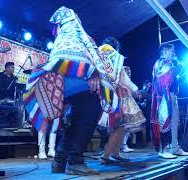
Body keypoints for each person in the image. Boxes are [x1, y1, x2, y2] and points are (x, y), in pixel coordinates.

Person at [24, 7, 141, 175]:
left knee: (77, 121)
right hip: (81, 81)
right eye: (76, 16)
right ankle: (75, 161)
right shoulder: (74, 29)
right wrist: (91, 73)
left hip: (67, 83)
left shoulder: (62, 34)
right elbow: (76, 53)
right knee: (88, 117)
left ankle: (59, 160)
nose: (78, 18)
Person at [97, 38, 146, 164]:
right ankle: (106, 155)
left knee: (120, 127)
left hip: (103, 93)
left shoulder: (97, 55)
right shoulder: (116, 59)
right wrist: (136, 90)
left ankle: (115, 153)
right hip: (118, 96)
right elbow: (124, 80)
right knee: (120, 127)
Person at [150, 44, 188, 159]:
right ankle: (163, 150)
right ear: (166, 51)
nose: (174, 53)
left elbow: (174, 80)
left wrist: (184, 74)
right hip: (163, 97)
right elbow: (161, 77)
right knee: (165, 121)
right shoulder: (161, 62)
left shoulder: (169, 65)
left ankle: (175, 147)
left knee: (174, 123)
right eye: (172, 51)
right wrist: (177, 65)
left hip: (172, 96)